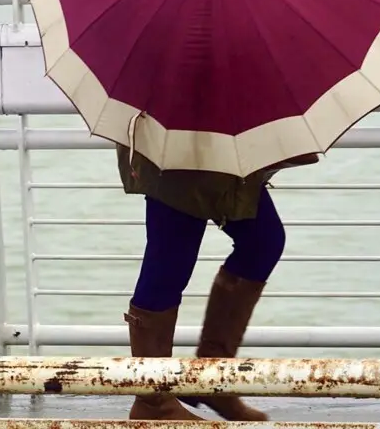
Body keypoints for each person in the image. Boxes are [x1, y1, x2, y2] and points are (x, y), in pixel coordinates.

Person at [116, 143, 319, 421]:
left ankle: (212, 374)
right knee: (169, 261)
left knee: (262, 242)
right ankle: (154, 402)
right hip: (175, 148)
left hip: (216, 148)